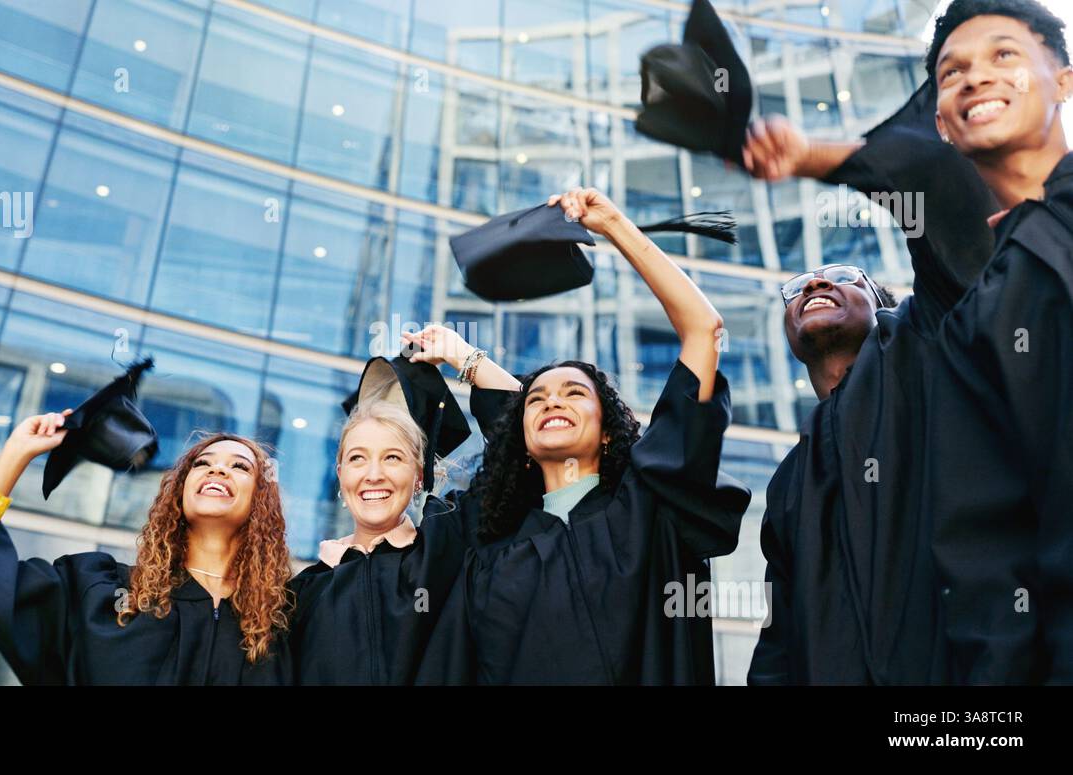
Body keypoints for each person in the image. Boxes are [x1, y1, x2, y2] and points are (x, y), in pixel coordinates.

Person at [415, 187, 751, 685]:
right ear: (522, 440)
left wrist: (615, 224)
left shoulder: (649, 506)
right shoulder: (491, 546)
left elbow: (703, 328)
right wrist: (463, 356)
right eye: (537, 398)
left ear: (611, 434)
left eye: (575, 393)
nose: (552, 401)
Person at [739, 94, 996, 683]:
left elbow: (940, 204)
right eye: (800, 285)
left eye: (842, 278)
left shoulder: (928, 348)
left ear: (884, 303)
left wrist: (811, 156)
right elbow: (781, 637)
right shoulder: (789, 481)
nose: (816, 284)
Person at [0, 413, 294, 685]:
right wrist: (16, 454)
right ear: (178, 491)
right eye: (202, 463)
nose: (217, 469)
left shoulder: (283, 622)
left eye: (240, 467)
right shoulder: (100, 593)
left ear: (262, 501)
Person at [924, 0, 1073, 683]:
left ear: (1063, 79)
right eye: (953, 73)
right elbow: (987, 553)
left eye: (1003, 54)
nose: (976, 77)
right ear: (942, 125)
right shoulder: (970, 324)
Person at [286, 356, 517, 685]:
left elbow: (521, 450)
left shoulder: (447, 547)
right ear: (341, 475)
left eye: (392, 457)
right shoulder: (302, 592)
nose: (374, 475)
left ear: (419, 475)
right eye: (357, 459)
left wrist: (464, 357)